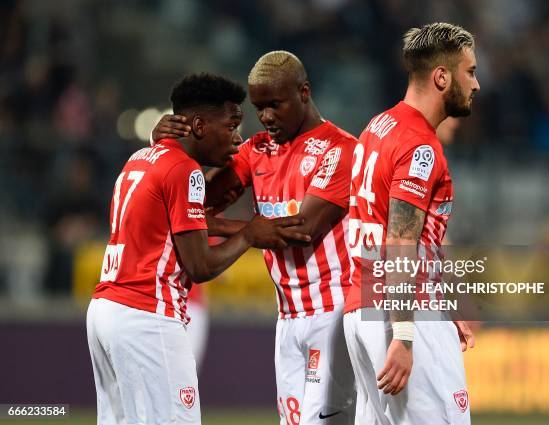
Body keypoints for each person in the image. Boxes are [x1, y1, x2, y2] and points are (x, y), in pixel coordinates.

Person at [86, 73, 310, 425]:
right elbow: (200, 266)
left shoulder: (140, 159)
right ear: (200, 125)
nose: (237, 139)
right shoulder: (185, 172)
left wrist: (253, 230)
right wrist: (249, 236)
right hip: (148, 315)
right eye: (232, 125)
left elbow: (177, 227)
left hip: (104, 311)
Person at [153, 51, 357, 424]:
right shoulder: (257, 149)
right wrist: (174, 146)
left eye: (274, 105)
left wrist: (246, 229)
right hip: (287, 319)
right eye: (259, 108)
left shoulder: (340, 149)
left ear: (304, 92)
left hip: (334, 313)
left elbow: (301, 229)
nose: (265, 117)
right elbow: (194, 204)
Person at [342, 23, 479, 425]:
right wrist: (404, 335)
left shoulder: (377, 127)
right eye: (469, 71)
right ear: (442, 76)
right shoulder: (419, 145)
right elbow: (400, 239)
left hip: (363, 306)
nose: (476, 83)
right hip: (403, 313)